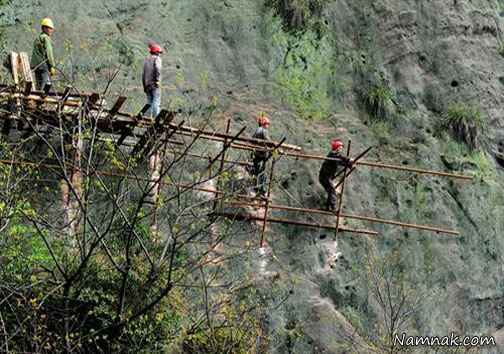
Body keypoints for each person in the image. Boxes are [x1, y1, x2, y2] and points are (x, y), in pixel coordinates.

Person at [319, 139, 352, 211]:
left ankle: (328, 207)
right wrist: (348, 159)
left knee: (330, 191)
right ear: (336, 148)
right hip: (325, 177)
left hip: (327, 177)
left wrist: (349, 164)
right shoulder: (332, 155)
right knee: (332, 190)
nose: (341, 149)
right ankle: (333, 207)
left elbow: (341, 162)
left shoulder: (335, 157)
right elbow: (339, 158)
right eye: (340, 148)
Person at [31, 18, 56, 91]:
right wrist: (52, 66)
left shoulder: (38, 38)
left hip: (36, 66)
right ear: (44, 28)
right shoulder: (46, 38)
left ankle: (37, 99)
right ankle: (40, 101)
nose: (51, 30)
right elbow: (49, 52)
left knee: (39, 85)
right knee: (46, 84)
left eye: (51, 28)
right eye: (49, 28)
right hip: (43, 65)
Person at [251, 113, 271, 196]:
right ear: (263, 124)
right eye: (267, 124)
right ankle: (261, 189)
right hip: (262, 155)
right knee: (262, 172)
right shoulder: (263, 130)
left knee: (256, 171)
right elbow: (268, 141)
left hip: (256, 153)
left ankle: (256, 187)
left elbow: (252, 140)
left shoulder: (257, 130)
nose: (268, 126)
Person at [142, 42, 163, 118]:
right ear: (157, 52)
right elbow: (158, 69)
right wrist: (157, 81)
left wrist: (144, 86)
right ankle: (156, 119)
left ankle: (148, 118)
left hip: (147, 85)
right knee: (156, 102)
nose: (160, 54)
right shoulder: (157, 59)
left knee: (149, 103)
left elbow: (143, 74)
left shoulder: (146, 60)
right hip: (154, 84)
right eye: (159, 52)